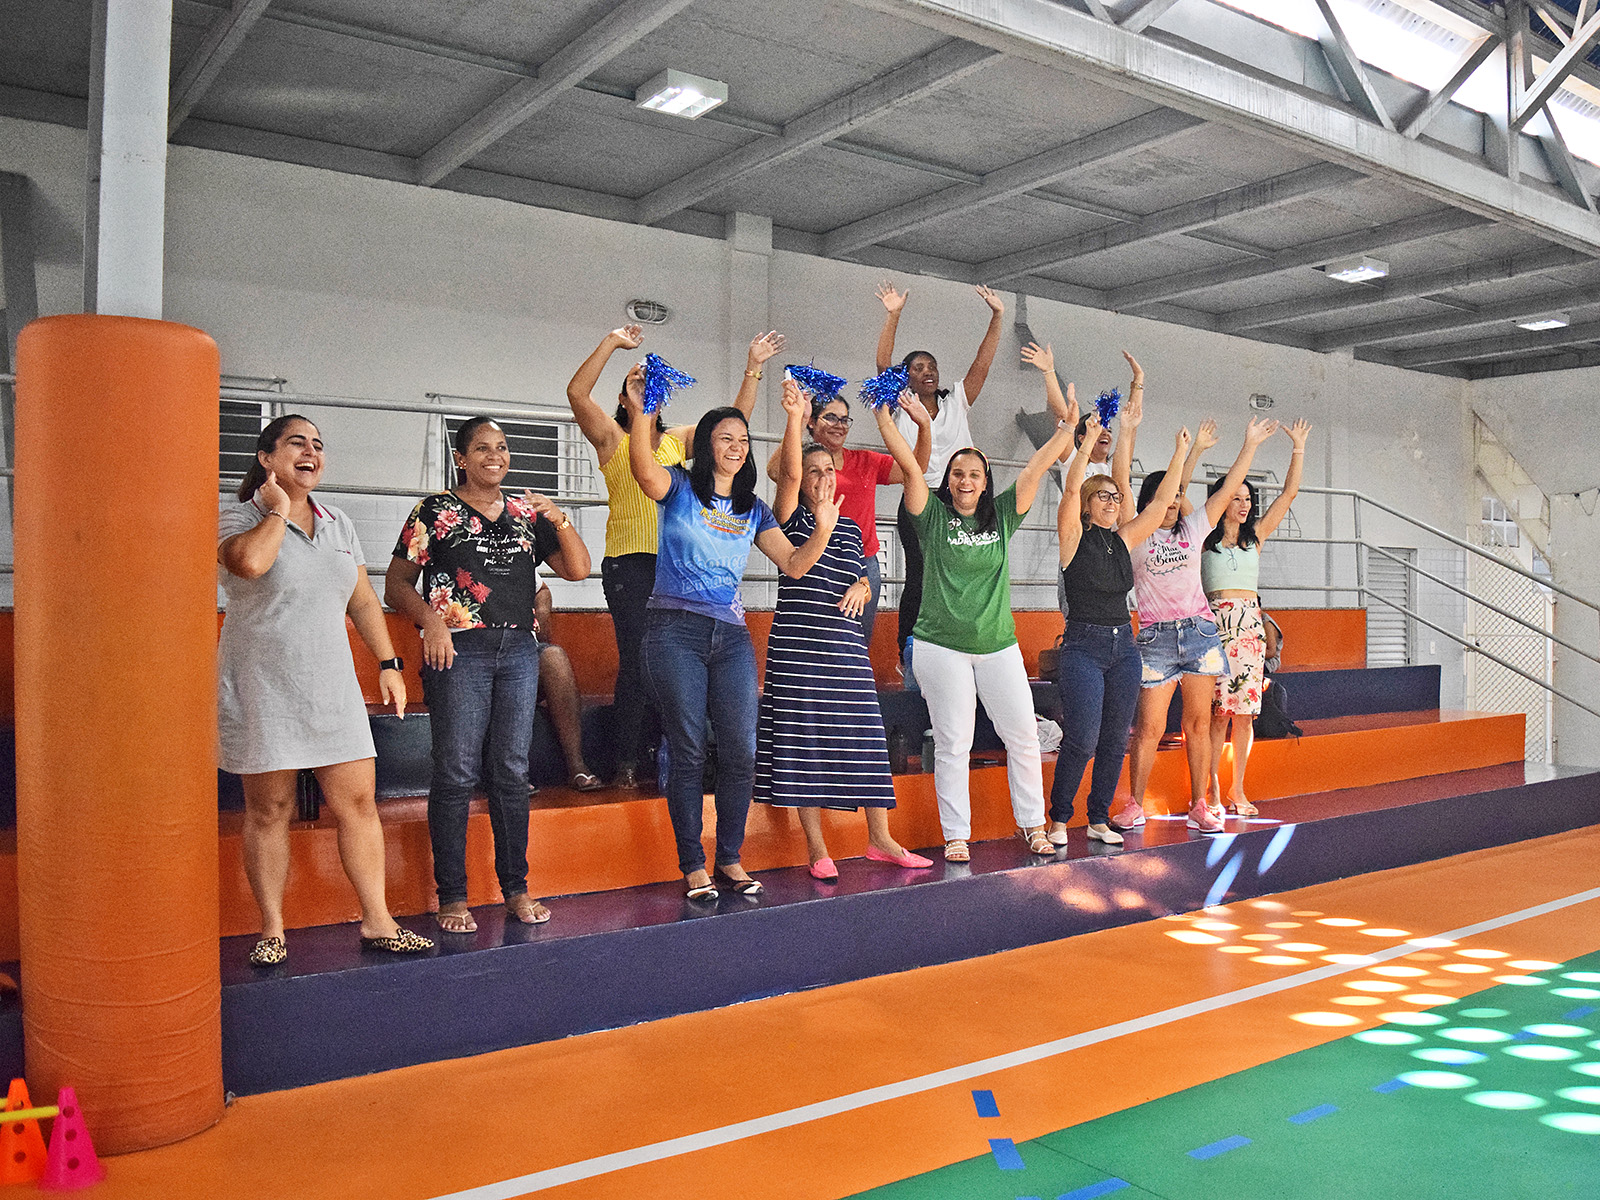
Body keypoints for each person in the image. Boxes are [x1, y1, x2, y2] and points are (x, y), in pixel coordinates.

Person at [218, 414, 433, 965]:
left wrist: (388, 661)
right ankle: (272, 929)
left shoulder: (338, 521)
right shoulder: (237, 515)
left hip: (331, 686)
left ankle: (377, 920)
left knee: (359, 803)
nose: (311, 452)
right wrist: (276, 511)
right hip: (262, 686)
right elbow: (249, 563)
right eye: (297, 443)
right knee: (270, 810)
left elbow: (361, 598)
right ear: (267, 458)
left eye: (318, 445)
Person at [386, 417, 591, 934]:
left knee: (511, 772)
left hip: (519, 649)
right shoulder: (434, 511)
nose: (495, 456)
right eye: (482, 448)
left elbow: (578, 570)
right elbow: (396, 584)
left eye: (501, 447)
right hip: (459, 651)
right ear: (461, 458)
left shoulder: (526, 513)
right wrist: (430, 620)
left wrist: (560, 519)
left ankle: (515, 888)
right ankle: (452, 896)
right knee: (455, 772)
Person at [627, 395, 836, 902]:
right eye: (726, 438)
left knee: (742, 751)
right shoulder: (678, 487)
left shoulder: (753, 508)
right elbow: (641, 469)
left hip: (730, 636)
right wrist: (640, 413)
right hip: (674, 629)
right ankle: (693, 864)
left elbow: (793, 564)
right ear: (705, 447)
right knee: (691, 747)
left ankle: (730, 858)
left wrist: (824, 529)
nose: (737, 448)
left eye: (743, 441)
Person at [566, 325, 785, 787]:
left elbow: (729, 428)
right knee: (637, 659)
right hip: (631, 562)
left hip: (681, 570)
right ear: (626, 399)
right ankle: (626, 760)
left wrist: (753, 369)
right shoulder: (612, 438)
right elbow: (576, 392)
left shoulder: (677, 440)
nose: (649, 394)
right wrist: (612, 343)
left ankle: (666, 756)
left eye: (654, 389)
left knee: (671, 664)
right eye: (640, 389)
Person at [875, 391, 1077, 863]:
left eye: (974, 475)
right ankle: (956, 835)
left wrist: (1066, 430)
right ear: (948, 481)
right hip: (940, 646)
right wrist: (886, 419)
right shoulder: (930, 516)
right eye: (958, 474)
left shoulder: (1003, 516)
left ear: (985, 483)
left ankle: (1031, 824)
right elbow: (908, 465)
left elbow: (1032, 470)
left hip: (997, 645)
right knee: (953, 743)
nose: (965, 480)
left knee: (1024, 736)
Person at [756, 380, 934, 879]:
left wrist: (860, 583)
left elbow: (853, 566)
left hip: (843, 644)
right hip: (797, 645)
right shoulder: (786, 519)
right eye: (812, 471)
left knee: (867, 735)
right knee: (803, 739)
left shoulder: (852, 527)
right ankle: (817, 848)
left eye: (827, 470)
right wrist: (795, 417)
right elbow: (791, 485)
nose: (820, 477)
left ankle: (881, 838)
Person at [1111, 386, 1279, 835]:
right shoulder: (1137, 532)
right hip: (1155, 636)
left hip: (1201, 633)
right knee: (1148, 727)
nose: (1170, 506)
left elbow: (1226, 492)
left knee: (1200, 723)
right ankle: (1133, 804)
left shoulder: (1194, 527)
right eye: (1163, 500)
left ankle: (1200, 803)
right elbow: (1122, 478)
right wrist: (1127, 432)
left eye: (1175, 500)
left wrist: (1250, 445)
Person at [1047, 391, 1194, 848]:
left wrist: (1180, 455)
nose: (1113, 501)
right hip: (1083, 647)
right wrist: (1087, 443)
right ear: (1090, 504)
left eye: (1116, 495)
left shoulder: (1122, 539)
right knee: (1083, 739)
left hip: (1124, 649)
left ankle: (1097, 818)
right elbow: (1071, 489)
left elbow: (1156, 507)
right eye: (1104, 496)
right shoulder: (1074, 537)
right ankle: (1057, 819)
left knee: (1115, 739)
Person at [874, 281, 1006, 686]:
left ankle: (963, 639)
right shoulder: (900, 404)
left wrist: (998, 317)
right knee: (922, 572)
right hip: (920, 499)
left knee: (968, 571)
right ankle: (910, 647)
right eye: (917, 367)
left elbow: (981, 366)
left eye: (931, 365)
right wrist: (893, 314)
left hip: (962, 499)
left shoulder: (956, 403)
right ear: (906, 378)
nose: (927, 371)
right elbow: (882, 365)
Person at [765, 378, 931, 644]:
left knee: (856, 640)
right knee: (812, 638)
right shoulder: (800, 465)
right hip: (814, 558)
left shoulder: (865, 460)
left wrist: (924, 426)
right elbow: (778, 471)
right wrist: (798, 418)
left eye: (844, 419)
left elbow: (916, 468)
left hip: (863, 563)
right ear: (813, 422)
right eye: (830, 417)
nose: (839, 425)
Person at [1203, 419, 1311, 815]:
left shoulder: (1256, 539)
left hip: (1249, 627)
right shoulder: (1203, 539)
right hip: (1214, 626)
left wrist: (1297, 447)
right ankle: (1211, 789)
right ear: (1224, 499)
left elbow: (1290, 493)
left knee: (1245, 717)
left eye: (1248, 498)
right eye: (1237, 497)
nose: (1244, 503)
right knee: (1218, 716)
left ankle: (1237, 789)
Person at [532, 581, 600, 793]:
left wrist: (541, 613)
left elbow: (541, 589)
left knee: (554, 657)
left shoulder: (515, 550)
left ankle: (576, 764)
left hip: (520, 648)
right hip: (470, 653)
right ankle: (510, 775)